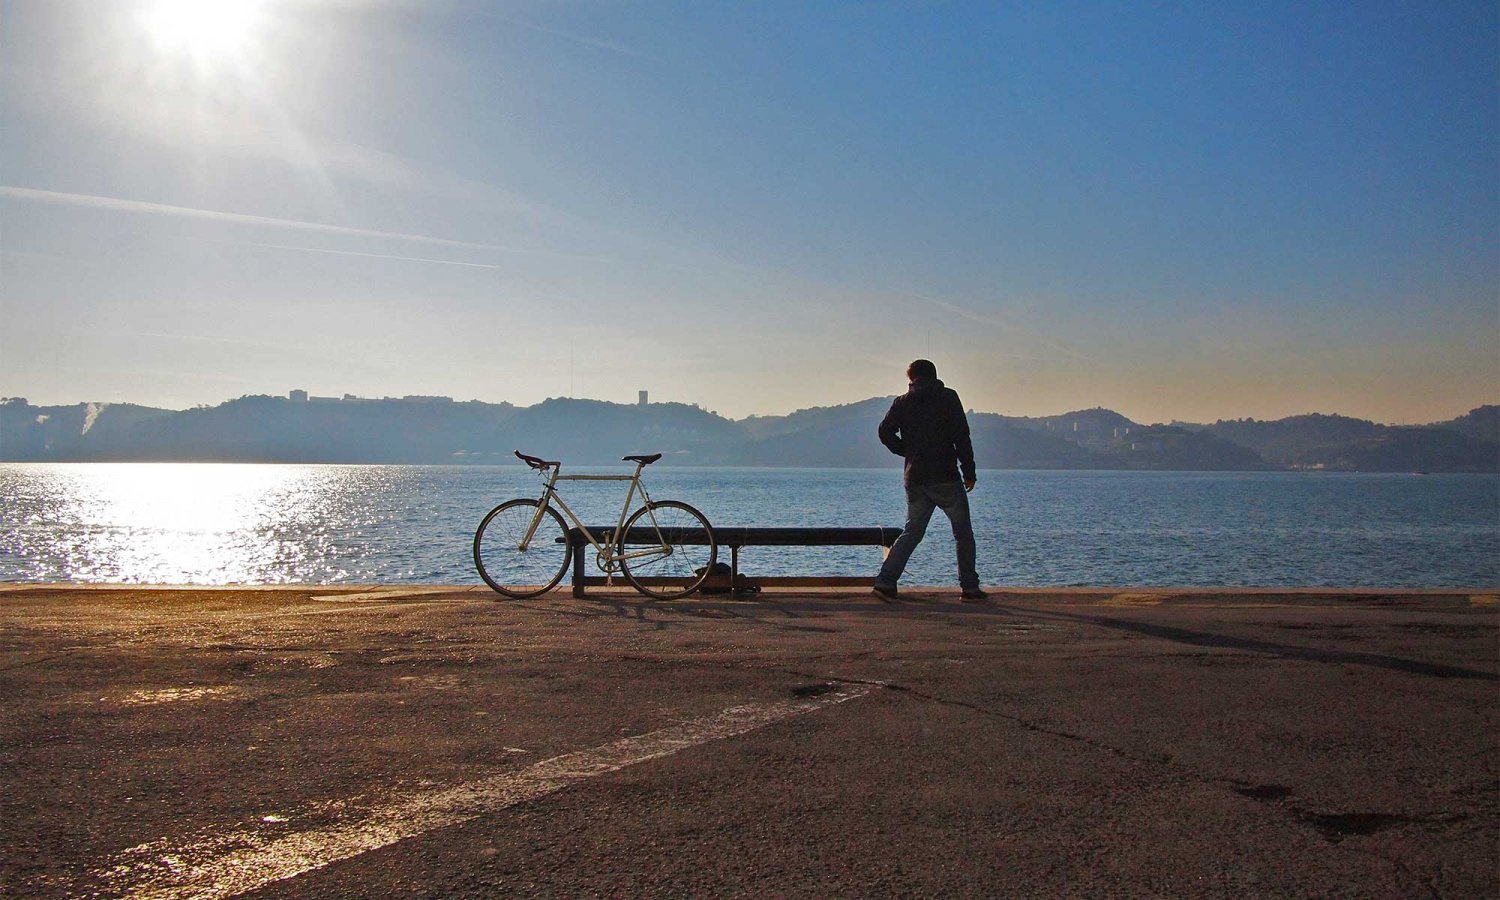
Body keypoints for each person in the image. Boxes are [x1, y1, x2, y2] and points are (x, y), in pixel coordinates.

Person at [873, 359, 986, 601]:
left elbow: (884, 432)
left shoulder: (903, 402)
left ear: (911, 378)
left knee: (912, 531)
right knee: (963, 533)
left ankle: (885, 581)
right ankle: (969, 587)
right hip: (945, 476)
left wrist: (908, 451)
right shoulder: (948, 398)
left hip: (915, 477)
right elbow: (962, 437)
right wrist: (969, 472)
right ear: (934, 376)